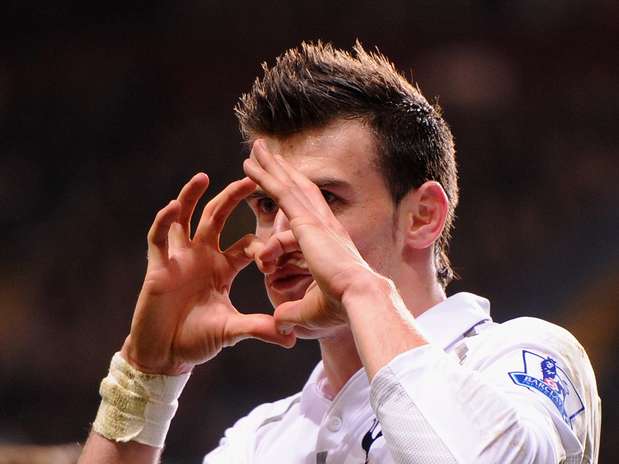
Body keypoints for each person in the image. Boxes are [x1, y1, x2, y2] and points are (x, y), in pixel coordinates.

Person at [78, 41, 600, 463]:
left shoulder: (524, 358)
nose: (281, 234)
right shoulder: (261, 442)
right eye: (267, 204)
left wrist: (357, 286)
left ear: (422, 216)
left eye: (322, 200)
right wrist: (147, 376)